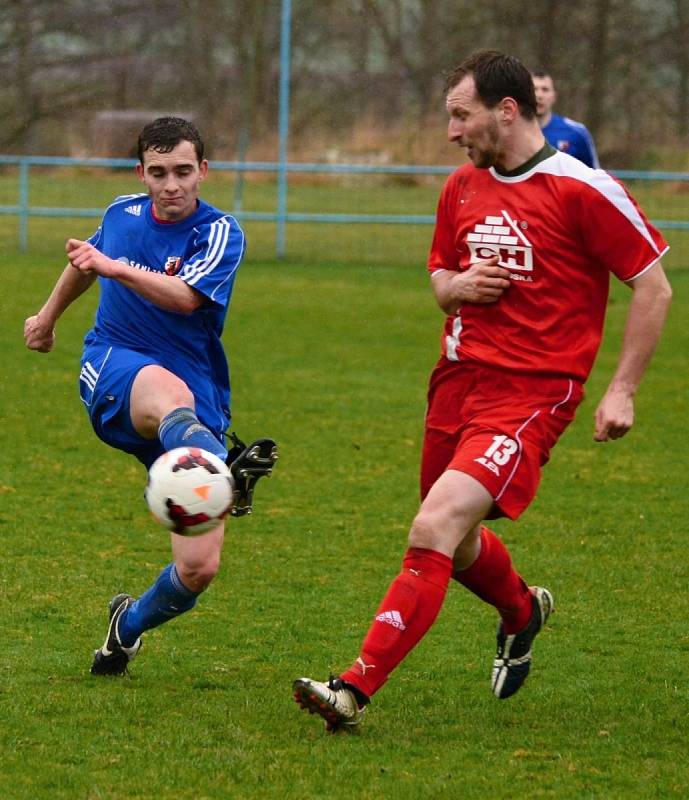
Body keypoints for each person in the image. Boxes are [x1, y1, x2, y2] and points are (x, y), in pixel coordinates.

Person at [292, 50, 672, 732]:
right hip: (456, 382)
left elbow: (652, 285)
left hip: (531, 394)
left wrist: (622, 391)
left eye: (459, 115)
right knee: (455, 542)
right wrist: (456, 287)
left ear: (506, 109)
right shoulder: (459, 188)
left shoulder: (582, 188)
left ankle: (352, 687)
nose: (450, 131)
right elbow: (439, 275)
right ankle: (522, 611)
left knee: (433, 526)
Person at [24, 117, 278, 676]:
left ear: (203, 171)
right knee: (169, 394)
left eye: (183, 172)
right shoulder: (121, 213)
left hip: (195, 392)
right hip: (114, 364)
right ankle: (217, 468)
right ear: (141, 173)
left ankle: (127, 628)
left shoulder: (219, 233)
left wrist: (113, 267)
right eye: (158, 173)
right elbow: (87, 263)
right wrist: (45, 319)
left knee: (198, 569)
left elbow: (187, 298)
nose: (171, 185)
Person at [532, 70, 600, 168]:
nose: (539, 95)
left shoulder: (577, 132)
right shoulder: (513, 133)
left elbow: (594, 174)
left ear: (554, 96)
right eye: (534, 89)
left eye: (545, 89)